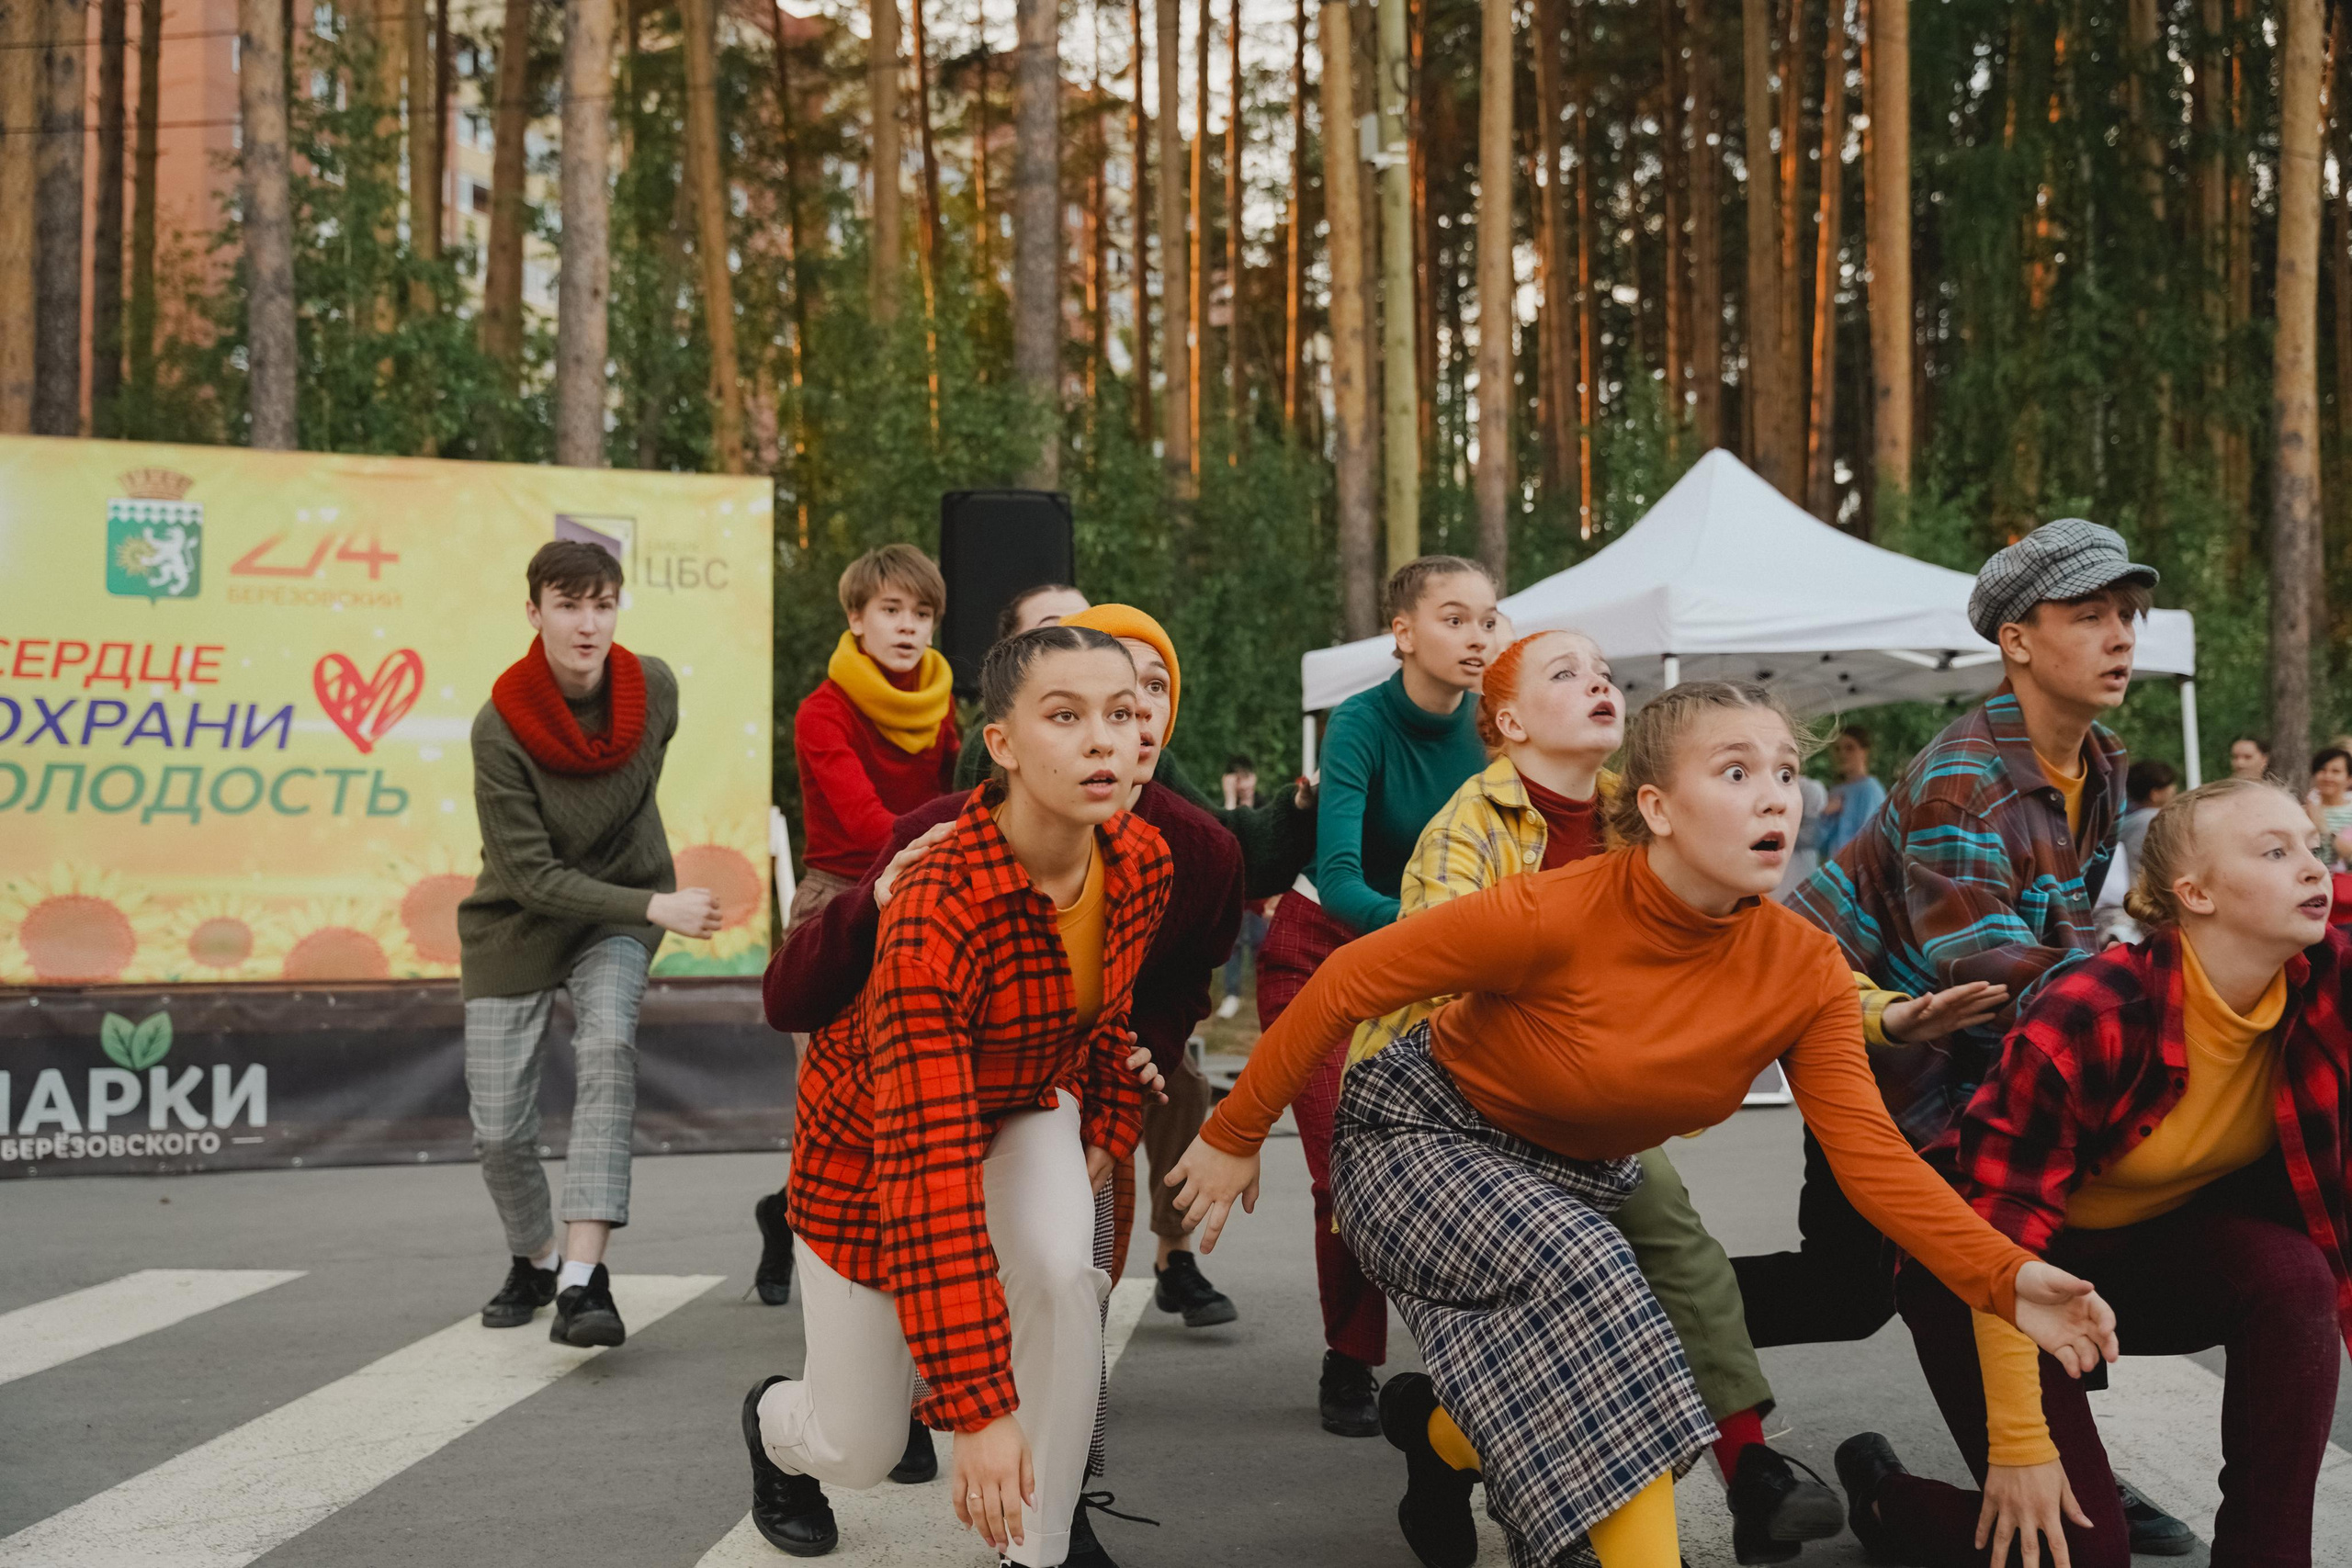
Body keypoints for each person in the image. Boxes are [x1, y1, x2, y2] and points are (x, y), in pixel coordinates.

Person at [1166, 681, 2120, 1568]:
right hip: (1420, 1139)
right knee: (1608, 1290)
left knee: (1603, 1363)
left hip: (1576, 1176)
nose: (1775, 799)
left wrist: (2006, 1277)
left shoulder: (1804, 969)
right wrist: (1231, 1132)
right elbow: (1341, 983)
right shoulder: (1556, 910)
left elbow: (1872, 1159)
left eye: (1786, 773)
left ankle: (1439, 1432)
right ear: (1657, 808)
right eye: (1735, 773)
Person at [1346, 630, 1968, 1568]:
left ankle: (1747, 1463)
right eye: (1565, 674)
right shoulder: (1468, 829)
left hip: (1598, 1099)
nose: (1599, 683)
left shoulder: (1644, 813)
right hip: (1476, 1108)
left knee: (1676, 1245)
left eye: (1604, 672)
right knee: (1575, 1328)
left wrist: (1887, 1017)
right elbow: (1428, 984)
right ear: (1508, 720)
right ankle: (1443, 1434)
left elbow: (1766, 957)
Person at [1741, 516, 2191, 1554]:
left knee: (1881, 1280)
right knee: (1918, 1262)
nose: (2121, 635)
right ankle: (1612, 1322)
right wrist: (2157, 1004)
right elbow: (1985, 963)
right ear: (2018, 640)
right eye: (2090, 616)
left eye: (2127, 613)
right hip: (1871, 1050)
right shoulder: (1964, 778)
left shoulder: (2099, 759)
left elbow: (2064, 932)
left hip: (1964, 1059)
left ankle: (2072, 1469)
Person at [742, 626, 1171, 1568]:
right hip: (873, 1151)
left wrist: (1110, 1114)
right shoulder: (938, 904)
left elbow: (1104, 1018)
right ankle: (776, 1426)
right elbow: (926, 1167)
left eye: (1124, 713)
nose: (1104, 740)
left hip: (1022, 1106)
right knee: (862, 1446)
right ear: (1003, 744)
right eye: (1065, 716)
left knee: (1065, 1274)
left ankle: (1041, 1547)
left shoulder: (1142, 863)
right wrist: (975, 1410)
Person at [1842, 778, 2352, 1568]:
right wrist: (2021, 1445)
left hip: (2140, 1258)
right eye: (2276, 852)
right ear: (2196, 894)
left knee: (2293, 1275)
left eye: (2313, 847)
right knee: (2081, 1555)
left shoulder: (2327, 977)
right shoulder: (2093, 1010)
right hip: (1985, 1271)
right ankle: (1887, 1496)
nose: (2314, 869)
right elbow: (1997, 1224)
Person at [1260, 555, 1498, 1438]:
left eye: (1487, 619)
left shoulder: (1495, 730)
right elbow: (1341, 874)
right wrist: (1450, 934)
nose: (1476, 637)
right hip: (1324, 955)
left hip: (1435, 965)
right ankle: (1351, 1357)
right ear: (1403, 632)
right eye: (1453, 618)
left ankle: (1474, 1358)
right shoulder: (1358, 724)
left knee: (1467, 1164)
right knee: (1345, 1169)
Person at [462, 540, 722, 1346]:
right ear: (534, 612)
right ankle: (535, 1255)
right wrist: (659, 901)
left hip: (619, 918)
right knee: (501, 1129)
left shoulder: (657, 689)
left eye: (602, 604)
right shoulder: (498, 728)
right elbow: (534, 876)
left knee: (608, 1044)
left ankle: (582, 1278)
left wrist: (641, 907)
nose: (587, 623)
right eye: (568, 605)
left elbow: (629, 791)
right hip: (518, 918)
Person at [1217, 757, 1268, 1019]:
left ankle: (1265, 994)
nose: (1244, 783)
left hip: (1260, 888)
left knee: (1262, 941)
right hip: (1235, 890)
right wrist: (1229, 803)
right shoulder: (1226, 811)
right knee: (1234, 944)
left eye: (1247, 776)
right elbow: (1223, 842)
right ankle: (1232, 995)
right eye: (1238, 777)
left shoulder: (1266, 806)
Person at [1815, 726, 1887, 860]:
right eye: (1837, 749)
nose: (1842, 754)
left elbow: (1871, 842)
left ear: (1864, 752)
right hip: (1834, 869)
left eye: (1849, 748)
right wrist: (1825, 815)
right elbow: (1819, 844)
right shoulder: (1836, 791)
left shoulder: (1870, 789)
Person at [2117, 759, 2178, 867]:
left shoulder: (2126, 818)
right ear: (2155, 794)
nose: (2175, 794)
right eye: (2170, 792)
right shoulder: (2152, 820)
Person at [2307, 747, 2352, 868]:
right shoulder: (2305, 811)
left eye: (2336, 771)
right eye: (2322, 770)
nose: (2328, 777)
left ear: (2349, 778)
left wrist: (2322, 827)